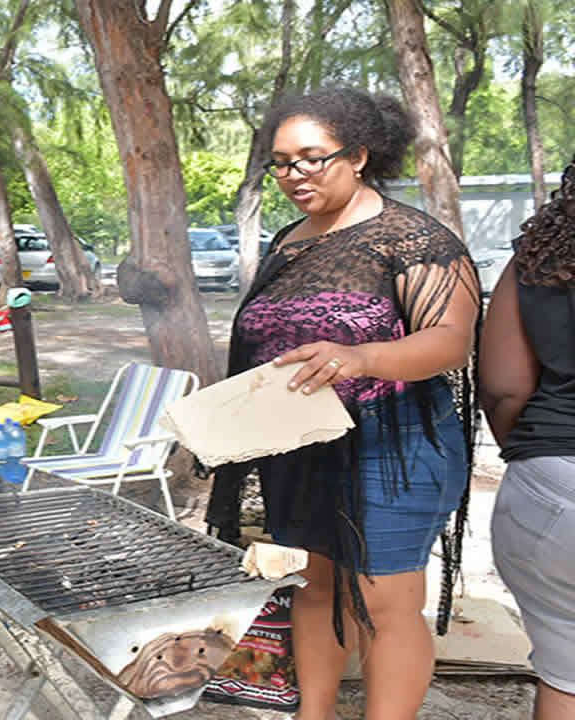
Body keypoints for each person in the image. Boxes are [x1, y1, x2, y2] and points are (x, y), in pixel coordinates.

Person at [205, 88, 480, 720]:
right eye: (280, 162)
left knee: (383, 602)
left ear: (358, 155)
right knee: (315, 588)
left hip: (396, 443)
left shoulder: (413, 238)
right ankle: (315, 713)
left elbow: (449, 341)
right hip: (301, 442)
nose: (293, 175)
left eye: (310, 158)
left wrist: (363, 358)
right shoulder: (288, 242)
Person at [480, 158, 575, 720]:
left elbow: (504, 388)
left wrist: (535, 455)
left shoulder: (539, 261)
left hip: (550, 483)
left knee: (566, 671)